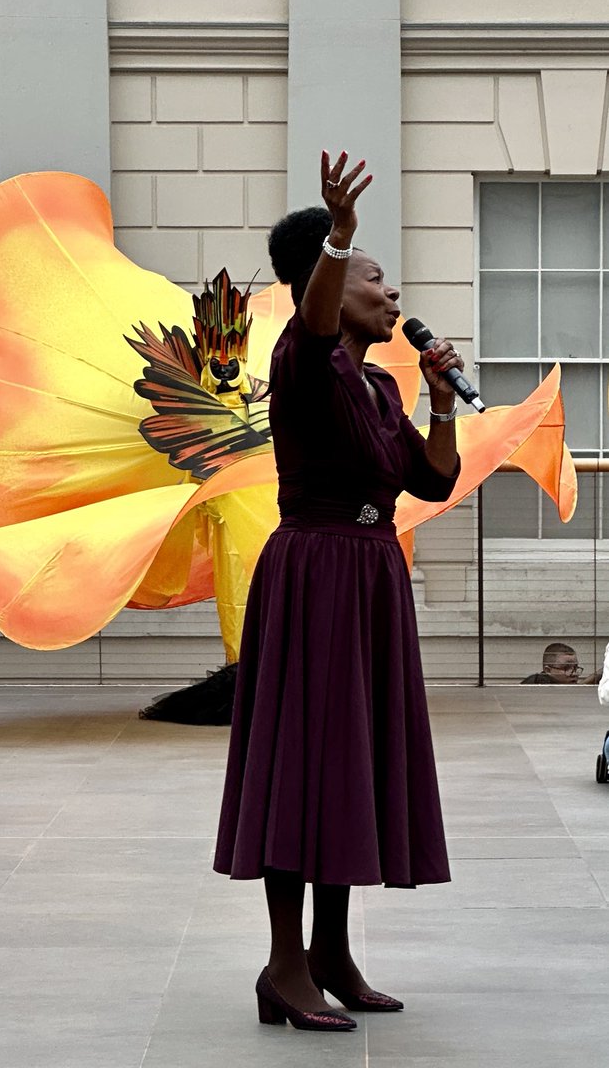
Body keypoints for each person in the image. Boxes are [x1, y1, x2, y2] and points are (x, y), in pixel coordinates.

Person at [213, 151, 462, 1033]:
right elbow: (315, 326)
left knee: (348, 765)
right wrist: (339, 234)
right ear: (328, 280)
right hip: (315, 568)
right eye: (373, 276)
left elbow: (431, 484)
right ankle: (285, 967)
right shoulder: (301, 356)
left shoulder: (383, 382)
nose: (392, 295)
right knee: (304, 763)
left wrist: (440, 403)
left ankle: (332, 954)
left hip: (368, 573)